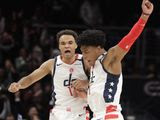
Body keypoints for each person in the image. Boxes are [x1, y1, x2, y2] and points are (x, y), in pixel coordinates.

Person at [76, 0, 154, 120]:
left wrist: (144, 16)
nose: (84, 56)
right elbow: (100, 95)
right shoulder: (94, 67)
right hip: (97, 116)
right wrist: (85, 96)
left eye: (86, 52)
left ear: (98, 48)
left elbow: (129, 39)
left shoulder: (110, 58)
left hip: (110, 116)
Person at [8, 29, 89, 120]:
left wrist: (86, 83)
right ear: (59, 46)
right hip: (59, 112)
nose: (67, 46)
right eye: (63, 43)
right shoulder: (52, 64)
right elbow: (31, 78)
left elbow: (100, 80)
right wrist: (19, 85)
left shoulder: (85, 61)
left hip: (80, 112)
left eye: (70, 43)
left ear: (76, 45)